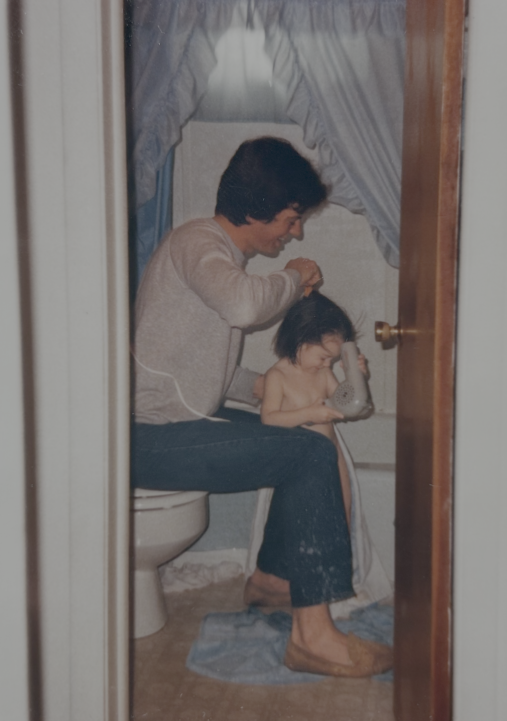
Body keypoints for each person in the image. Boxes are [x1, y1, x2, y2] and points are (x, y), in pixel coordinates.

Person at [131, 137, 392, 677]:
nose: (294, 232)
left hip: (175, 420)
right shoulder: (198, 242)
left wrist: (269, 384)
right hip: (151, 435)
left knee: (308, 441)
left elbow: (200, 371)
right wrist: (295, 279)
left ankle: (273, 582)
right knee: (306, 456)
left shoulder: (210, 251)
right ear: (255, 210)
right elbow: (244, 303)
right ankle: (313, 637)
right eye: (291, 219)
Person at [260, 292, 368, 530]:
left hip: (331, 453)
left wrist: (357, 377)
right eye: (323, 357)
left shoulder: (322, 373)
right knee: (302, 519)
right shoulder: (278, 376)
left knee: (342, 507)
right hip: (296, 460)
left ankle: (342, 547)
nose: (327, 364)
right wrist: (309, 413)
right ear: (300, 339)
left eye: (331, 359)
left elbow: (346, 404)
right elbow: (269, 419)